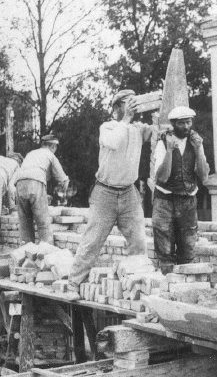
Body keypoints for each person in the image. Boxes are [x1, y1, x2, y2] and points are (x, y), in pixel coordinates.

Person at [65, 90, 157, 298]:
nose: (132, 106)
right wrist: (126, 119)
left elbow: (158, 132)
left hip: (129, 192)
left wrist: (158, 112)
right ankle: (73, 284)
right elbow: (114, 142)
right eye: (127, 103)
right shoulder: (107, 127)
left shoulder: (137, 129)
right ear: (116, 108)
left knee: (138, 241)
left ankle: (136, 286)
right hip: (105, 192)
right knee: (92, 241)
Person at [148, 106, 210, 273]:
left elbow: (204, 176)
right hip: (165, 201)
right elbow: (162, 177)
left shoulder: (196, 142)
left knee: (188, 249)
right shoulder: (163, 143)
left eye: (188, 122)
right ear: (174, 124)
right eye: (181, 123)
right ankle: (168, 281)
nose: (186, 126)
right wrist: (169, 150)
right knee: (164, 249)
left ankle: (185, 283)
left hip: (188, 201)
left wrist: (198, 149)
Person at [16, 135, 70, 245]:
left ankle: (26, 250)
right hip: (35, 182)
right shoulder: (50, 154)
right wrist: (65, 192)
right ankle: (47, 249)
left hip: (19, 183)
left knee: (25, 222)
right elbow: (62, 178)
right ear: (53, 146)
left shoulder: (31, 153)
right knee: (42, 221)